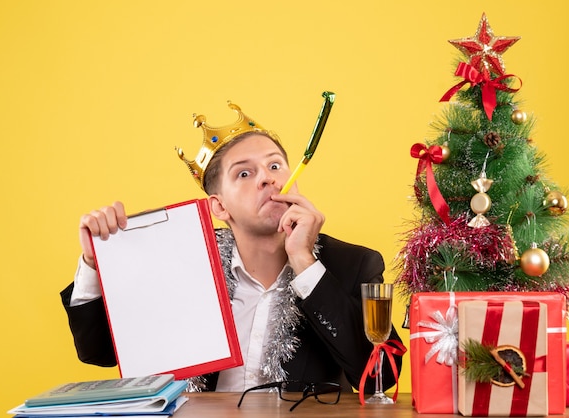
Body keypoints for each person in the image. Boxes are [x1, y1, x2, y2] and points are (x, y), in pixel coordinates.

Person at [60, 102, 404, 393]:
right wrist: (93, 261)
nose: (267, 178)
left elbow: (380, 378)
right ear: (219, 208)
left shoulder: (354, 264)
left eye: (274, 166)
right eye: (244, 174)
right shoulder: (182, 260)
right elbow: (98, 352)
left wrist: (304, 260)